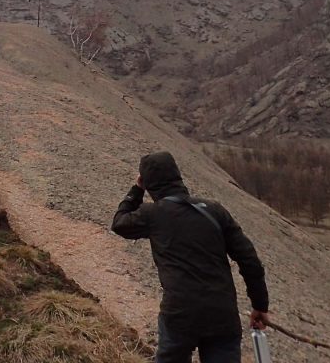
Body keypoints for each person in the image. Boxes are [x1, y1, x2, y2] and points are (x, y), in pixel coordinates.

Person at [111, 151, 269, 363]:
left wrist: (136, 190)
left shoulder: (152, 214)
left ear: (148, 183)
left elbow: (119, 223)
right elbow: (250, 261)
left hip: (180, 314)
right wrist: (259, 305)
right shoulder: (215, 210)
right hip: (222, 314)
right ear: (177, 176)